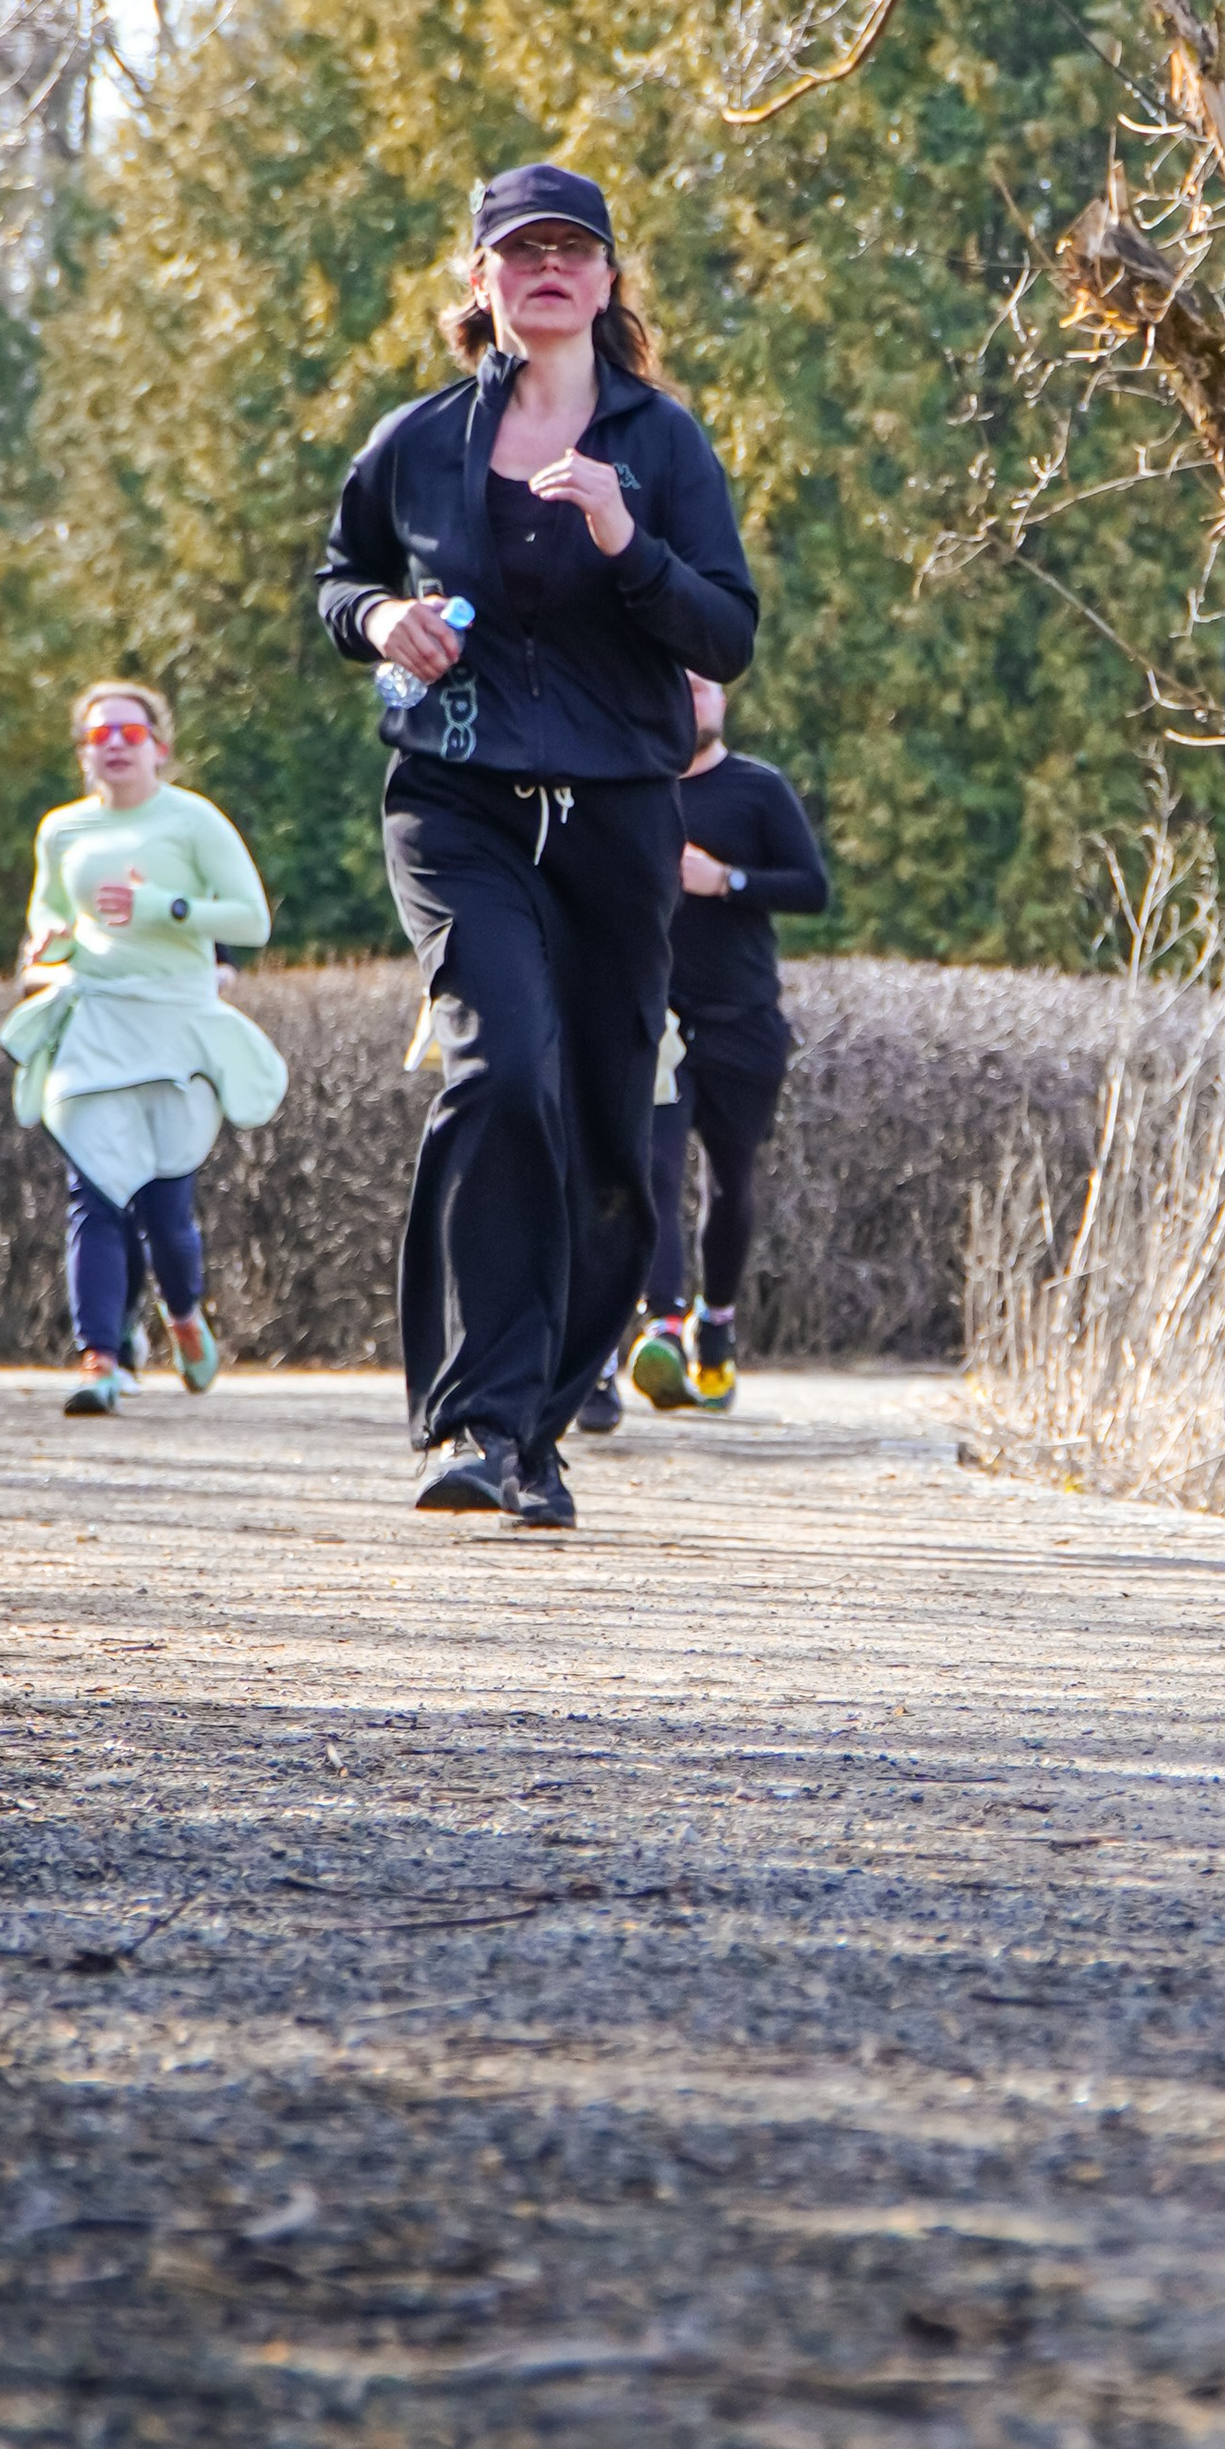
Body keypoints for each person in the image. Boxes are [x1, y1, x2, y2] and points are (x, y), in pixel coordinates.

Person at [317, 161, 758, 1528]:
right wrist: (377, 622)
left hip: (621, 809)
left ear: (610, 282)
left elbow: (725, 633)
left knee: (614, 1131)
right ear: (482, 282)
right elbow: (342, 574)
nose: (549, 270)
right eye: (522, 252)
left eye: (575, 250)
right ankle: (472, 1421)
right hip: (457, 805)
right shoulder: (419, 440)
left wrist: (627, 538)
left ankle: (543, 1426)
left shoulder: (665, 445)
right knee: (501, 1069)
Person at [1, 682, 286, 1417]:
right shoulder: (62, 831)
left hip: (176, 1029)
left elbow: (251, 921)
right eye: (101, 736)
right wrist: (47, 939)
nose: (117, 744)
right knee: (92, 1195)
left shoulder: (193, 821)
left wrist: (164, 907)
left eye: (131, 731)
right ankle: (100, 1358)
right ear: (85, 754)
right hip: (95, 1025)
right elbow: (49, 911)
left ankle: (183, 1313)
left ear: (160, 746)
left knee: (166, 1210)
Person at [610, 671, 829, 1421]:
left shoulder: (758, 789)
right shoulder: (633, 783)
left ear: (725, 702)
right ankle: (662, 1323)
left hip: (743, 1019)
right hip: (661, 1020)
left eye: (707, 688)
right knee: (656, 1169)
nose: (695, 699)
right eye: (683, 688)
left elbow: (812, 888)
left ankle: (717, 1325)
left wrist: (724, 880)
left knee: (730, 1186)